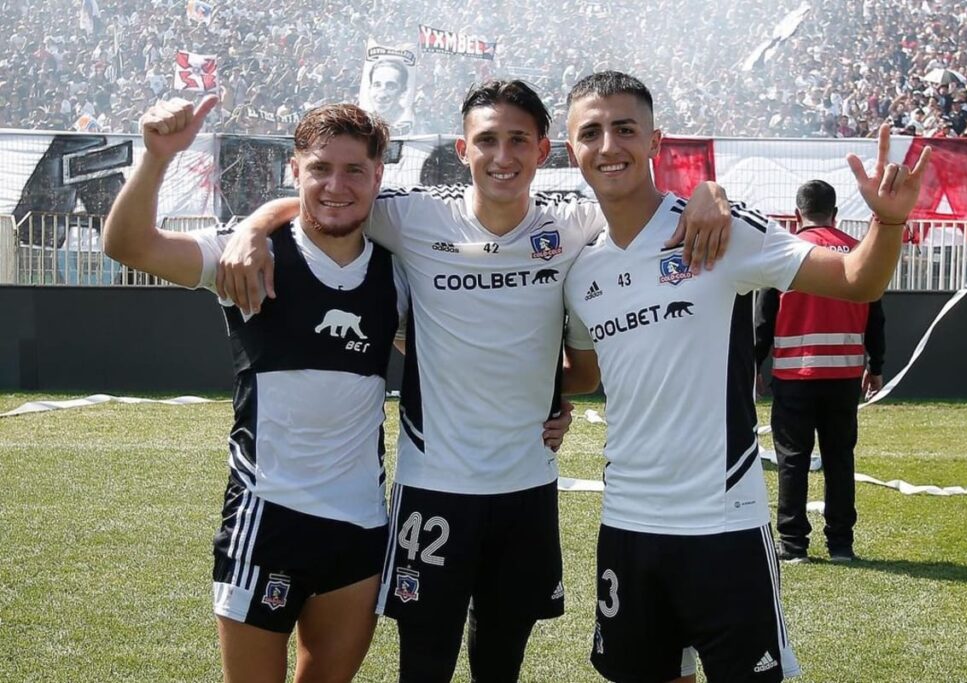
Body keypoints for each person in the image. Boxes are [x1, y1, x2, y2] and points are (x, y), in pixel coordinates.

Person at [216, 79, 732, 682]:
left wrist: (707, 192)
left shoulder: (573, 224)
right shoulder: (412, 215)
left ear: (544, 151)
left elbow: (639, 203)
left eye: (518, 140)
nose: (503, 156)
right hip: (434, 486)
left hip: (527, 485)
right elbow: (330, 196)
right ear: (463, 150)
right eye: (487, 140)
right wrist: (255, 224)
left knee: (500, 662)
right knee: (426, 663)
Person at [559, 71, 929, 683]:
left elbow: (858, 282)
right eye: (590, 133)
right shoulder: (580, 267)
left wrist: (887, 224)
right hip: (626, 522)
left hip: (723, 523)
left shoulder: (716, 231)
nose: (608, 146)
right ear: (570, 149)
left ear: (656, 142)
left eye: (625, 129)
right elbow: (583, 374)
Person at [103, 96, 408, 683]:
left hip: (363, 524)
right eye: (320, 168)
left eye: (354, 171)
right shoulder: (245, 258)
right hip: (267, 517)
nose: (335, 185)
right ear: (295, 170)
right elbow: (128, 245)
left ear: (378, 176)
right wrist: (157, 158)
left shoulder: (397, 275)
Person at [754, 180, 886, 564]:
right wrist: (875, 366)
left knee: (792, 460)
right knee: (840, 459)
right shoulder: (857, 251)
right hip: (844, 374)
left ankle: (794, 546)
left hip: (795, 375)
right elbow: (876, 315)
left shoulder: (783, 251)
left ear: (798, 215)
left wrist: (754, 366)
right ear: (835, 214)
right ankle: (841, 545)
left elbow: (764, 319)